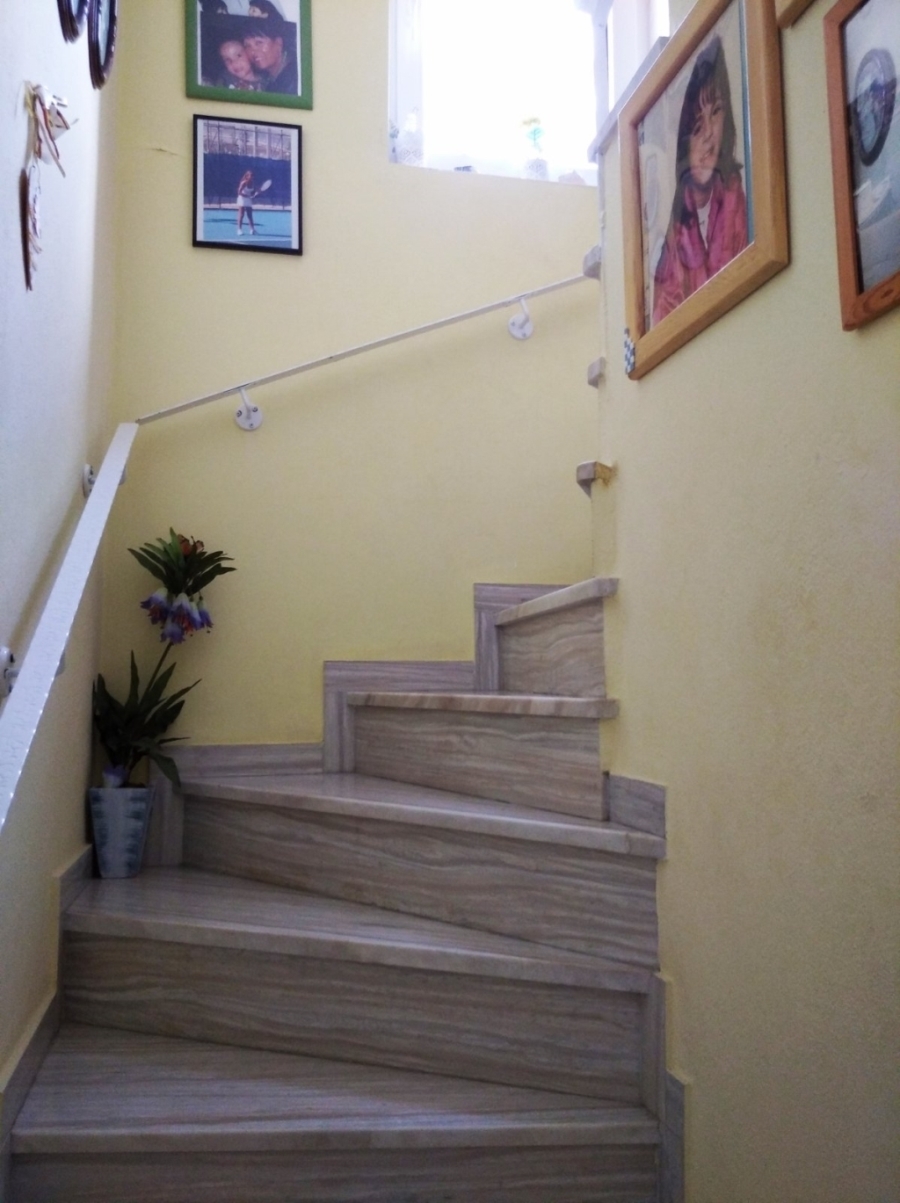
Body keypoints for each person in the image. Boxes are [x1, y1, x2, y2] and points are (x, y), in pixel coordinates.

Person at [651, 36, 748, 326]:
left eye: (715, 112)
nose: (708, 135)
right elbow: (663, 319)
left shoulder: (738, 198)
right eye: (696, 126)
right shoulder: (675, 233)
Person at [243, 16, 298, 94]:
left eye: (259, 43)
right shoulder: (267, 78)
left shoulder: (295, 77)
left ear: (278, 43)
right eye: (247, 46)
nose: (253, 51)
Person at [236, 170, 258, 235]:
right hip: (242, 199)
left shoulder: (253, 183)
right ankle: (239, 230)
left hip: (248, 199)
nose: (252, 177)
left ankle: (252, 230)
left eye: (253, 176)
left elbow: (253, 192)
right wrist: (248, 196)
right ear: (247, 176)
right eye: (251, 176)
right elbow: (239, 192)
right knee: (241, 215)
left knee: (250, 215)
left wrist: (254, 195)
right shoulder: (243, 183)